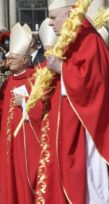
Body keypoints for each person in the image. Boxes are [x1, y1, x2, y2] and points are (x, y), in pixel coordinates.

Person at [46, 0, 109, 203]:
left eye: (53, 17)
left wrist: (61, 68)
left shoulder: (89, 40)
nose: (50, 23)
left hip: (89, 128)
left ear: (69, 14)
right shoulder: (72, 39)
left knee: (92, 179)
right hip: (72, 123)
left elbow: (94, 84)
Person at [0, 23, 43, 204]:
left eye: (13, 57)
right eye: (8, 57)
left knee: (25, 181)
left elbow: (43, 109)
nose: (8, 60)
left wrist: (25, 103)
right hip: (8, 142)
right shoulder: (8, 82)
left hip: (27, 143)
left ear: (25, 60)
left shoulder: (36, 78)